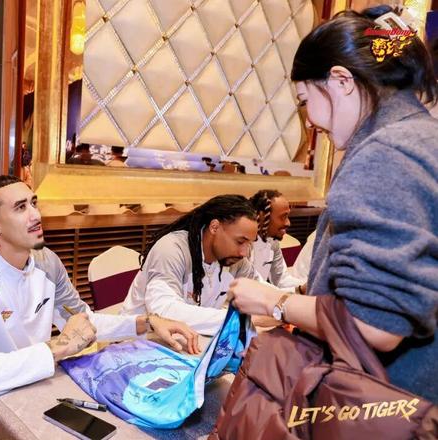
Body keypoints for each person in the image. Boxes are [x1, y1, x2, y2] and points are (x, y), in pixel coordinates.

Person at [227, 6, 438, 403]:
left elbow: (375, 326)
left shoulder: (385, 154)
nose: (308, 120)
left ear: (341, 81)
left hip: (381, 403)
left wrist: (273, 301)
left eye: (305, 99)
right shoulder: (425, 139)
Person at [0, 175, 199, 438]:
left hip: (34, 387)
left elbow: (83, 322)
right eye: (21, 207)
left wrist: (146, 322)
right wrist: (58, 347)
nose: (36, 215)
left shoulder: (46, 261)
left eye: (34, 203)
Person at [120, 195, 265, 335]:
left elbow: (264, 294)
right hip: (137, 340)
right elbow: (164, 311)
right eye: (240, 242)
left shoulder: (235, 261)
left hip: (187, 341)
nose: (244, 253)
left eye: (249, 244)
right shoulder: (172, 249)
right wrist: (238, 320)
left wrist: (277, 305)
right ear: (214, 227)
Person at [248, 189, 305, 292]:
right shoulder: (243, 245)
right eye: (283, 217)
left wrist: (309, 285)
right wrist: (300, 290)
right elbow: (253, 287)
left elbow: (281, 280)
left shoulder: (272, 242)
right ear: (262, 216)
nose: (288, 223)